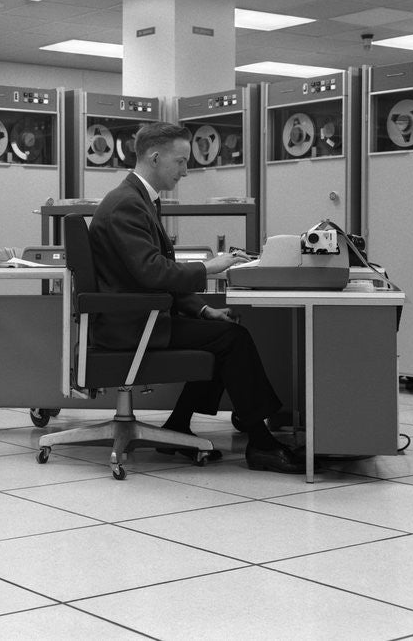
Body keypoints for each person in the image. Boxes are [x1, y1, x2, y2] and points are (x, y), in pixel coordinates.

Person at [88, 121, 305, 474]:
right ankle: (261, 443)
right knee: (233, 339)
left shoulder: (136, 199)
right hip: (130, 326)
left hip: (138, 317)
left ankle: (179, 425)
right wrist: (210, 268)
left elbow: (151, 279)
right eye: (181, 161)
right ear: (156, 158)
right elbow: (152, 273)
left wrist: (203, 309)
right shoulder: (127, 205)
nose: (186, 171)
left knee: (222, 333)